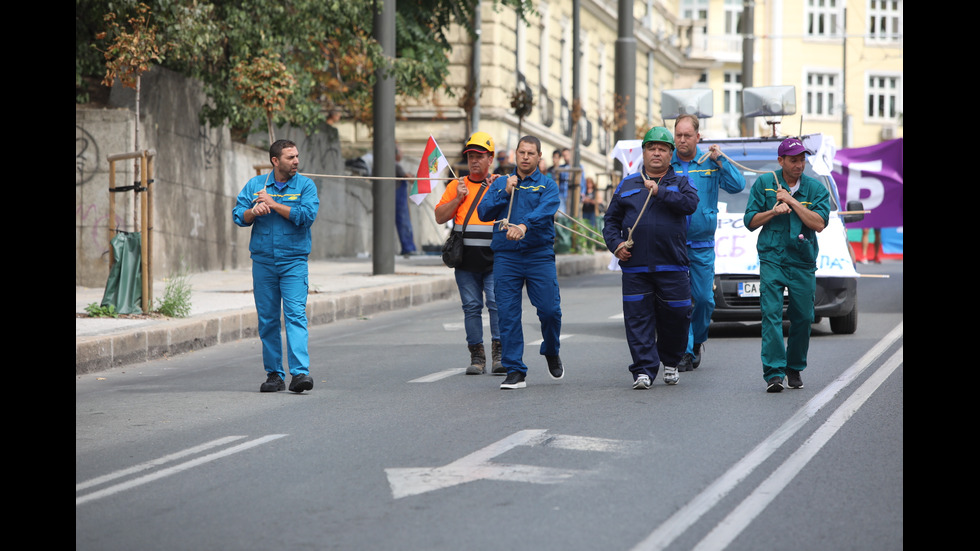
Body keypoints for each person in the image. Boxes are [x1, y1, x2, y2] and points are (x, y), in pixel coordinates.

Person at [603, 127, 699, 389]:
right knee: (638, 318)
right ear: (643, 152)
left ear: (671, 155)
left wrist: (659, 192)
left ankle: (670, 361)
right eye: (651, 148)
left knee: (678, 316)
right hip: (635, 267)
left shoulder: (681, 183)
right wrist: (616, 245)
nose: (656, 153)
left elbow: (690, 205)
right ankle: (643, 370)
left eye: (663, 149)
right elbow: (610, 221)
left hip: (673, 264)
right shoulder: (627, 184)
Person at [233, 139, 320, 393]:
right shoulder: (255, 185)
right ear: (275, 161)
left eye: (296, 156)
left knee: (295, 315)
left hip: (293, 262)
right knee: (268, 320)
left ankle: (300, 373)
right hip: (264, 262)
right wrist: (253, 211)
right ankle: (274, 375)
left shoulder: (305, 185)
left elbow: (306, 217)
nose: (296, 161)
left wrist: (273, 204)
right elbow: (238, 215)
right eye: (290, 157)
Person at [744, 137, 830, 393]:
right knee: (770, 315)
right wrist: (773, 211)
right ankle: (774, 373)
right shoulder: (764, 184)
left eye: (802, 159)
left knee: (804, 317)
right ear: (781, 161)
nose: (799, 165)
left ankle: (794, 367)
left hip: (802, 260)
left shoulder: (815, 189)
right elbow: (750, 221)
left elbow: (819, 223)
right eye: (793, 160)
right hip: (772, 258)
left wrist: (792, 202)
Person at [478, 135, 564, 390]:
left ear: (539, 158)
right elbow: (483, 212)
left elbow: (545, 210)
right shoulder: (502, 182)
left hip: (539, 255)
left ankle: (551, 349)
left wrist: (524, 225)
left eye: (531, 153)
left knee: (550, 311)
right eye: (521, 152)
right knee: (507, 313)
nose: (525, 157)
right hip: (507, 256)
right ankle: (515, 370)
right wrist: (503, 193)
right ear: (516, 154)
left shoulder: (548, 185)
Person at [670, 114, 746, 372]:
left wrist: (721, 160)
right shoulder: (667, 164)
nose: (681, 140)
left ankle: (698, 339)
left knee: (704, 300)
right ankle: (685, 350)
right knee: (680, 301)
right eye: (678, 135)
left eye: (687, 135)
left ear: (698, 137)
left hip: (701, 245)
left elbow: (737, 185)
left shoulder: (709, 162)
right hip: (673, 244)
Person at [434, 131, 503, 375]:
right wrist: (458, 200)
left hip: (495, 259)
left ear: (490, 159)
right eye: (471, 156)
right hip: (465, 261)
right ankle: (477, 357)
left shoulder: (500, 184)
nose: (474, 160)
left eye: (480, 156)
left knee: (496, 303)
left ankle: (499, 354)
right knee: (472, 307)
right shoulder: (457, 185)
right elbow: (440, 216)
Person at [394, 144, 417, 257]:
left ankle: (408, 247)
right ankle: (408, 248)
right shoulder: (395, 165)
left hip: (397, 197)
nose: (402, 154)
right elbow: (408, 177)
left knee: (403, 224)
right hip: (397, 199)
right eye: (400, 151)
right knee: (404, 223)